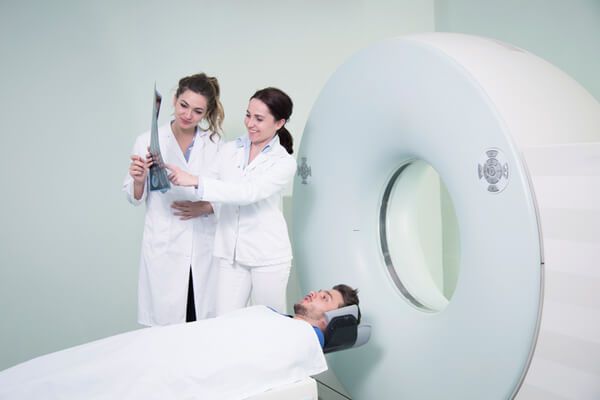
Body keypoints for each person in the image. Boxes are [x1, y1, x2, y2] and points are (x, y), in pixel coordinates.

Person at [0, 285, 361, 400]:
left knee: (98, 380)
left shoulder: (299, 337)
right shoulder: (269, 316)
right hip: (167, 344)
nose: (314, 293)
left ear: (334, 320)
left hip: (176, 366)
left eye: (325, 298)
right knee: (92, 361)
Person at [165, 87, 297, 316]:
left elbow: (248, 193)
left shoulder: (283, 162)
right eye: (248, 115)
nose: (250, 123)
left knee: (269, 325)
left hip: (267, 256)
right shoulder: (229, 150)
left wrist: (195, 180)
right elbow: (204, 185)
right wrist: (162, 173)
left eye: (259, 119)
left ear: (279, 123)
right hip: (230, 253)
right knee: (224, 323)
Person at [123, 73, 224, 325]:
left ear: (207, 113)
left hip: (202, 245)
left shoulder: (215, 144)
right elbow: (135, 198)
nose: (188, 115)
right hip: (164, 244)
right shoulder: (147, 140)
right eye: (183, 105)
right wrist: (139, 180)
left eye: (198, 111)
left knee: (198, 319)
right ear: (174, 99)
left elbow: (227, 193)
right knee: (165, 326)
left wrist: (205, 207)